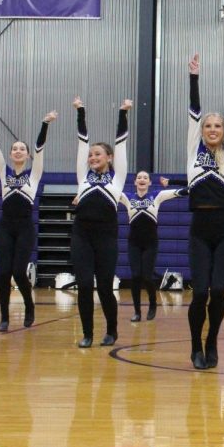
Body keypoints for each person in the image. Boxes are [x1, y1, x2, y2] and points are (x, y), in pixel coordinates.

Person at [0, 108, 57, 332]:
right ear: (11, 154)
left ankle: (29, 307)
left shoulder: (34, 174)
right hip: (5, 226)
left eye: (22, 149)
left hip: (24, 228)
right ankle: (4, 317)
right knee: (3, 272)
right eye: (15, 149)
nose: (18, 151)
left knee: (19, 272)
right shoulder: (4, 172)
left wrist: (45, 123)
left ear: (27, 155)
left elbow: (40, 149)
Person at [185, 54, 224, 370]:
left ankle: (211, 342)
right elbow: (193, 114)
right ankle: (195, 346)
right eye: (208, 125)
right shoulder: (193, 150)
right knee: (200, 294)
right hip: (200, 228)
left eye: (217, 125)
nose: (212, 129)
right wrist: (194, 78)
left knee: (219, 291)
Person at [71, 96, 132, 348]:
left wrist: (123, 113)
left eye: (98, 154)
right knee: (84, 284)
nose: (92, 157)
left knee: (105, 286)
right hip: (82, 235)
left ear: (109, 157)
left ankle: (112, 330)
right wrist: (81, 111)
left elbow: (121, 143)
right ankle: (87, 334)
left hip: (106, 236)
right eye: (91, 155)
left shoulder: (117, 179)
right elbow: (82, 141)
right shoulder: (83, 178)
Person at [120, 171, 187, 323]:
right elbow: (105, 193)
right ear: (135, 182)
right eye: (139, 178)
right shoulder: (127, 197)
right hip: (134, 243)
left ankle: (152, 304)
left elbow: (187, 190)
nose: (142, 180)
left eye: (145, 178)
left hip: (151, 242)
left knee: (147, 276)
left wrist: (171, 182)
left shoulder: (157, 195)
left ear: (150, 182)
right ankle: (137, 311)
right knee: (136, 276)